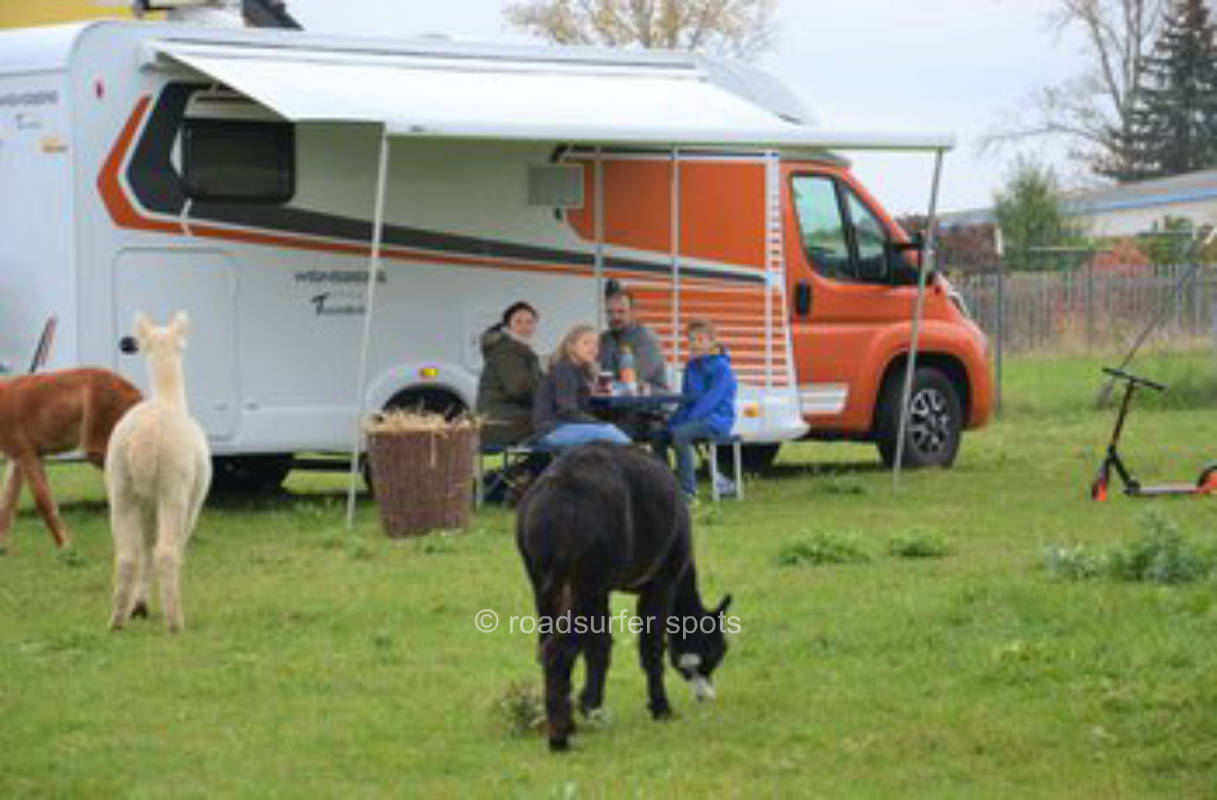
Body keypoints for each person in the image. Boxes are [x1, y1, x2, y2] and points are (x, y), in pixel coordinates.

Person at [656, 319, 737, 502]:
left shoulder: (722, 368)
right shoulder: (691, 366)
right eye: (691, 340)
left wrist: (686, 421)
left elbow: (711, 400)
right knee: (658, 434)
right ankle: (664, 486)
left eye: (701, 340)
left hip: (717, 420)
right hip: (694, 419)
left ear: (712, 342)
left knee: (680, 434)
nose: (695, 344)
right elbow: (686, 399)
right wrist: (672, 420)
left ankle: (688, 492)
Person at [533, 325, 631, 452]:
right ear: (571, 347)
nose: (592, 349)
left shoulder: (582, 371)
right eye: (586, 343)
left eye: (596, 344)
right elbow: (567, 411)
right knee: (612, 434)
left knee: (614, 430)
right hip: (553, 429)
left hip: (567, 426)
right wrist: (599, 423)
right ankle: (639, 470)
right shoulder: (564, 370)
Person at [475, 301, 541, 449]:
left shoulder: (521, 350)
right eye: (518, 321)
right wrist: (547, 399)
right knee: (556, 426)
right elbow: (519, 388)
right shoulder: (506, 351)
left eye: (529, 322)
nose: (525, 326)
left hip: (507, 418)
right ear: (507, 326)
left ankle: (531, 468)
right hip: (502, 422)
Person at [599, 288, 669, 392]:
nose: (615, 317)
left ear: (632, 311)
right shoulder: (604, 338)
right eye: (610, 312)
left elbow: (633, 381)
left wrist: (603, 384)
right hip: (612, 401)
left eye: (621, 311)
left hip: (646, 403)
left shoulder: (646, 339)